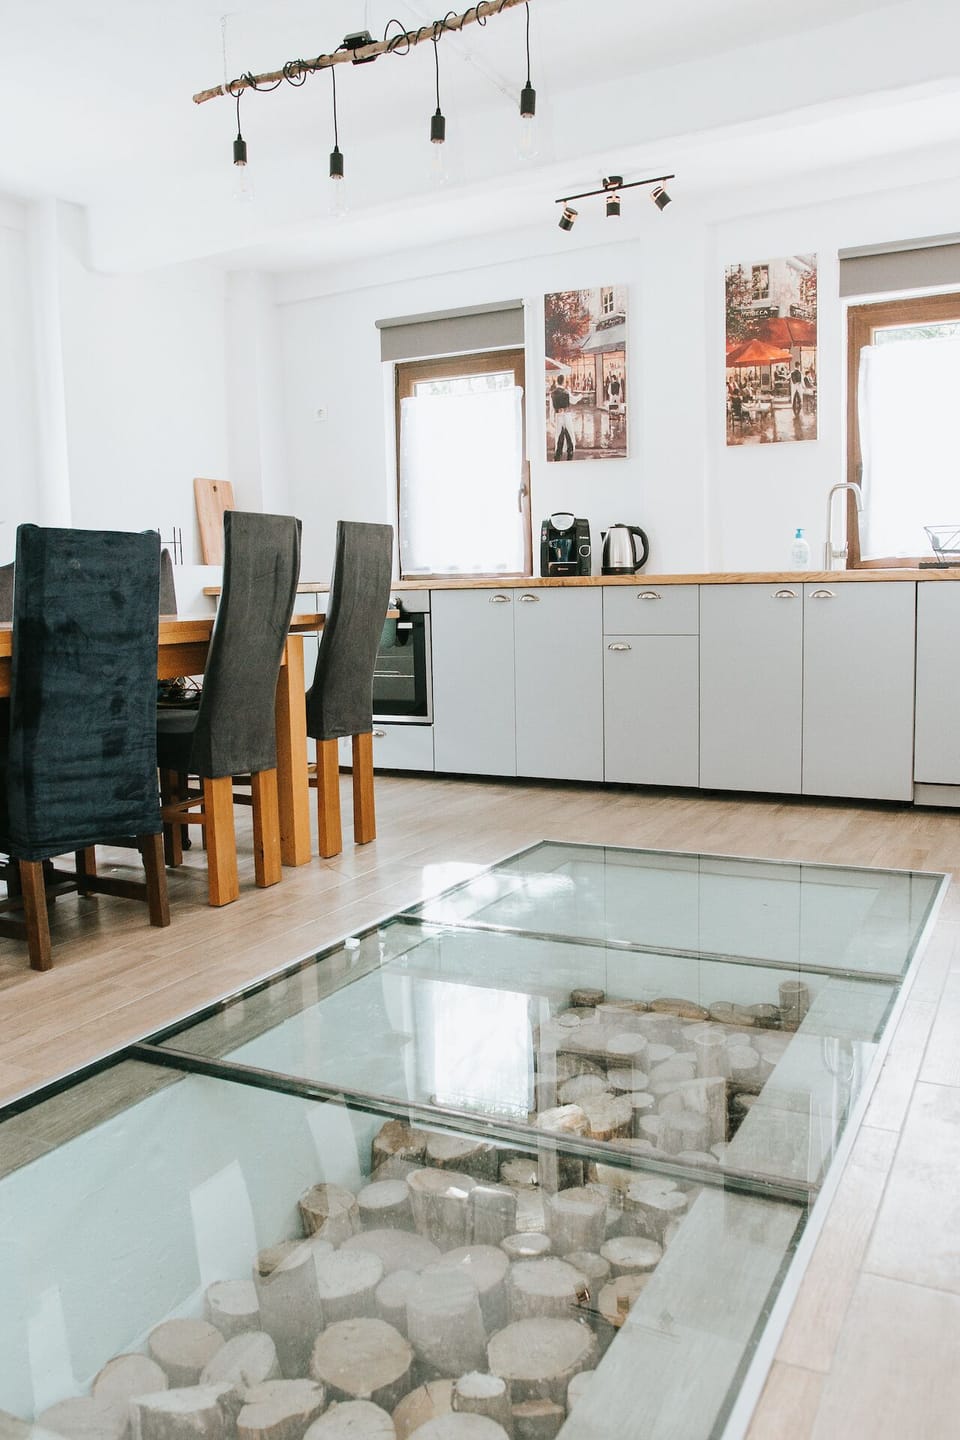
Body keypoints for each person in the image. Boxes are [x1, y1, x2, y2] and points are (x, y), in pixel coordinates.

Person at [551, 378, 575, 460]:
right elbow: (574, 401)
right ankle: (570, 452)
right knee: (568, 434)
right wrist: (580, 396)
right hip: (566, 414)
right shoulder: (566, 392)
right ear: (563, 382)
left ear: (557, 382)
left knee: (559, 435)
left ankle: (558, 453)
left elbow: (551, 408)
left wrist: (551, 419)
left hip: (558, 415)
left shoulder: (552, 393)